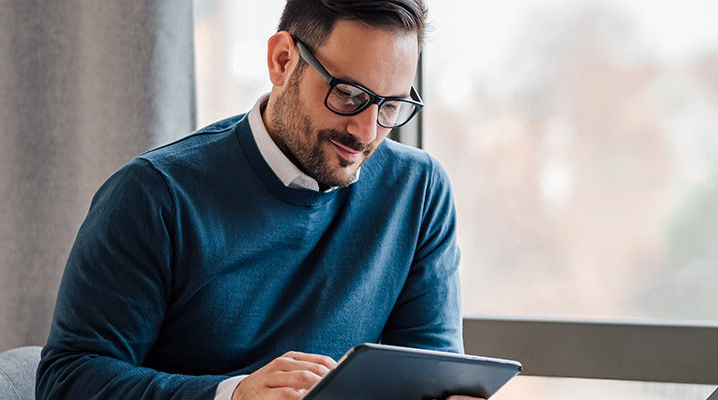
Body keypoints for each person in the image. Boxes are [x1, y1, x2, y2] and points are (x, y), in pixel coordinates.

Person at [36, 1, 482, 399]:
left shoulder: (418, 191)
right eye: (348, 95)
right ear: (282, 60)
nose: (366, 133)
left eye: (390, 106)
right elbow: (67, 381)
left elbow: (432, 376)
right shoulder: (154, 196)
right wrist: (231, 396)